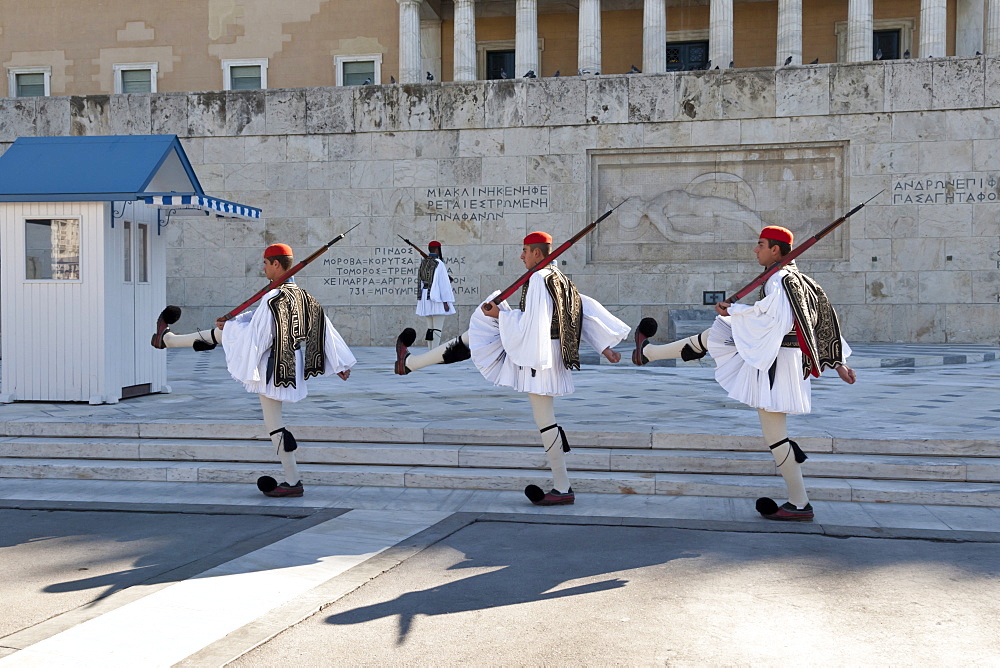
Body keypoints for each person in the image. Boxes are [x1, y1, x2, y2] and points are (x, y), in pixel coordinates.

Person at [632, 225, 856, 521]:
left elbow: (771, 318)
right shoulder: (800, 280)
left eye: (760, 244)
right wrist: (838, 361)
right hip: (782, 359)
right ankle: (647, 353)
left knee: (776, 438)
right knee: (716, 335)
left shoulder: (780, 280)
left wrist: (734, 312)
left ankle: (800, 504)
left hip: (776, 362)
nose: (756, 249)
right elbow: (821, 320)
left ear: (775, 249)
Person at [151, 243, 356, 498]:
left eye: (266, 264)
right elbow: (323, 329)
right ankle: (168, 340)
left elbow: (258, 335)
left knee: (275, 426)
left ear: (277, 265)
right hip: (289, 365)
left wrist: (230, 328)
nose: (263, 268)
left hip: (272, 366)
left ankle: (293, 482)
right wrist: (339, 364)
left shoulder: (274, 297)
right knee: (274, 422)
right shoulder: (304, 296)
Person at [471, 231, 629, 505]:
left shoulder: (537, 279)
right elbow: (580, 312)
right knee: (546, 421)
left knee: (546, 422)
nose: (521, 256)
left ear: (537, 253)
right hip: (553, 355)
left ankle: (562, 487)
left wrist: (501, 316)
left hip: (539, 357)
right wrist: (604, 347)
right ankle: (562, 484)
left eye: (525, 251)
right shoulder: (559, 278)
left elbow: (532, 323)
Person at [415, 240, 455, 347]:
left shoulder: (424, 262)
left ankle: (430, 352)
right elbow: (443, 285)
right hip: (437, 298)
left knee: (430, 328)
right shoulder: (439, 263)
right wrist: (445, 302)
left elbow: (421, 280)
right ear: (437, 250)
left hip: (425, 297)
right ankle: (434, 353)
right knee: (437, 327)